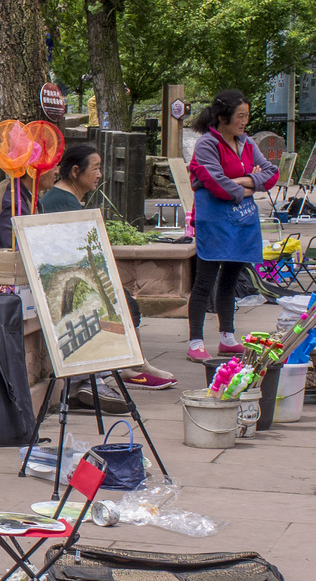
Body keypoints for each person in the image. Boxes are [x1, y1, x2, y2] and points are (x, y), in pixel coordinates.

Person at [33, 143, 175, 393]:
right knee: (121, 302)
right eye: (96, 168)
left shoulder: (67, 199)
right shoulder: (61, 201)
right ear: (76, 171)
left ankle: (134, 364)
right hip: (67, 282)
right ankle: (131, 366)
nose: (100, 174)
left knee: (126, 300)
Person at [186, 89, 278, 363]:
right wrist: (250, 183)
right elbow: (215, 183)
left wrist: (238, 182)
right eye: (240, 116)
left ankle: (228, 337)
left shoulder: (247, 143)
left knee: (230, 279)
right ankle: (195, 340)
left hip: (242, 219)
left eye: (247, 116)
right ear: (223, 117)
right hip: (214, 220)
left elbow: (271, 173)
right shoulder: (207, 144)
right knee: (205, 281)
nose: (244, 122)